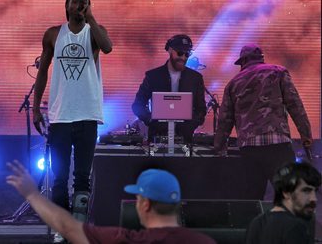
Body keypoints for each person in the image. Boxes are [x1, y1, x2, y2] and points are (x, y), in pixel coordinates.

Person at [32, 0, 113, 217]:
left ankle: (78, 228)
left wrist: (91, 18)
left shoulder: (95, 32)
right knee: (59, 176)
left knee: (82, 177)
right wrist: (36, 108)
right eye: (76, 1)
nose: (80, 5)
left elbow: (107, 47)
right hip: (61, 115)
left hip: (87, 114)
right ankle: (61, 229)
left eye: (85, 2)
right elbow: (42, 73)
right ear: (66, 5)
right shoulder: (53, 34)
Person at [6, 159, 216, 244]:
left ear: (145, 204)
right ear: (178, 206)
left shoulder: (125, 240)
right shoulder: (205, 242)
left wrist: (32, 194)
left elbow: (66, 227)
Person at [214, 44, 313, 196]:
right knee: (290, 196)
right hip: (278, 146)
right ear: (261, 58)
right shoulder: (278, 72)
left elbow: (224, 121)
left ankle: (256, 220)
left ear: (244, 60)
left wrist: (219, 148)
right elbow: (296, 106)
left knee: (253, 200)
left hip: (249, 149)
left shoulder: (233, 84)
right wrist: (306, 136)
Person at [132, 34, 206, 144]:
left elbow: (201, 109)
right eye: (180, 53)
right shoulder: (153, 76)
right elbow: (137, 105)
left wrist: (190, 125)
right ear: (170, 50)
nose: (183, 58)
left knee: (184, 160)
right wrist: (152, 121)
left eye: (187, 54)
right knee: (157, 162)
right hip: (157, 140)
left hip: (185, 141)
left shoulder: (195, 78)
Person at [245, 161, 320, 244]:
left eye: (314, 191)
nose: (314, 198)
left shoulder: (256, 223)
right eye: (306, 191)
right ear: (286, 192)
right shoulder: (296, 227)